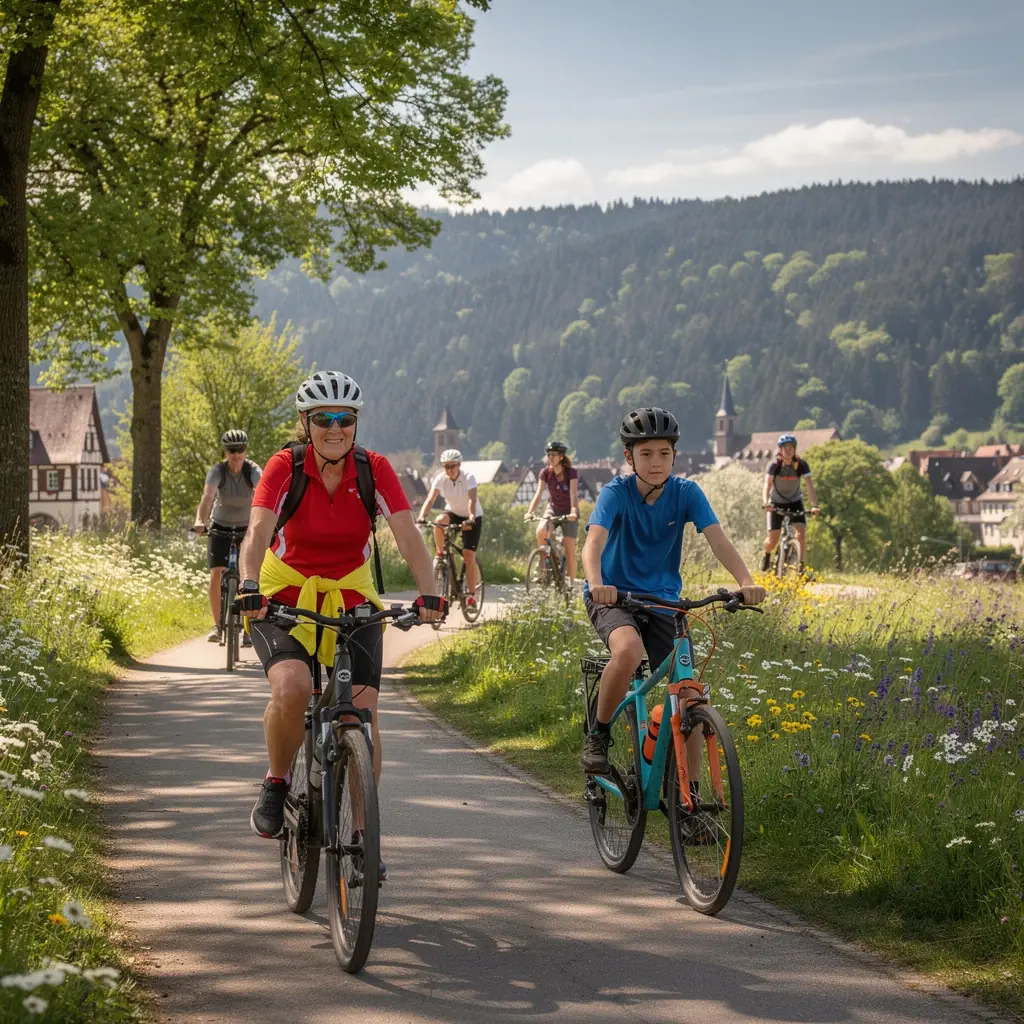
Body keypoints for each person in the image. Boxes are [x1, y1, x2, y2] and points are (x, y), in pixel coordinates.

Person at [236, 371, 444, 879]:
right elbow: (258, 530)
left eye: (345, 419)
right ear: (306, 423)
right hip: (282, 592)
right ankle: (278, 780)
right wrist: (247, 585)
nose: (335, 427)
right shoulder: (286, 467)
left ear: (355, 424)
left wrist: (431, 593)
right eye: (324, 419)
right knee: (293, 686)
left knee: (362, 717)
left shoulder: (374, 469)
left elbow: (406, 533)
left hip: (352, 593)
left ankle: (360, 836)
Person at [580, 407, 766, 777]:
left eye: (664, 453)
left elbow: (719, 541)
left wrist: (746, 582)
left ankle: (691, 801)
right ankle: (598, 735)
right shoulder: (615, 494)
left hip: (663, 600)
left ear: (674, 456)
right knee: (629, 651)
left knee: (690, 696)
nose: (656, 462)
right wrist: (597, 584)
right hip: (614, 597)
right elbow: (593, 544)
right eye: (646, 453)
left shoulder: (686, 493)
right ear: (629, 457)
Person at [192, 429, 261, 643]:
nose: (236, 454)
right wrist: (200, 521)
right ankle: (217, 625)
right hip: (220, 526)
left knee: (249, 577)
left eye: (240, 449)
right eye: (232, 450)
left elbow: (262, 494)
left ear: (246, 450)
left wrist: (264, 523)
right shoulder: (218, 471)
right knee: (216, 573)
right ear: (226, 451)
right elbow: (207, 497)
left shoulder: (253, 471)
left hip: (246, 527)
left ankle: (247, 629)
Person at [417, 449, 483, 610]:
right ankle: (441, 555)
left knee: (468, 557)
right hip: (452, 512)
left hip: (471, 516)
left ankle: (472, 597)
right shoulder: (440, 479)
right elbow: (431, 499)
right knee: (439, 521)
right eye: (446, 466)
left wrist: (471, 518)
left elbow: (472, 500)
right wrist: (421, 517)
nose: (449, 469)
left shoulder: (468, 478)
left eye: (452, 466)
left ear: (459, 465)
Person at [760, 434, 820, 573]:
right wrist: (766, 502)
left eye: (791, 447)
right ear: (780, 450)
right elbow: (767, 485)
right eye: (785, 447)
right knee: (772, 540)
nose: (788, 450)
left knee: (801, 534)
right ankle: (767, 555)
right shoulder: (775, 465)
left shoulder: (801, 465)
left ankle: (800, 567)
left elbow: (809, 486)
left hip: (795, 502)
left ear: (795, 449)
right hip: (775, 503)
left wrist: (814, 505)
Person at [524, 439, 579, 583]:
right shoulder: (545, 473)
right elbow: (538, 493)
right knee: (540, 531)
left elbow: (573, 495)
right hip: (553, 509)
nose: (551, 457)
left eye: (554, 454)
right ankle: (543, 570)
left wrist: (573, 512)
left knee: (569, 551)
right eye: (549, 454)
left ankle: (571, 585)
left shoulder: (571, 473)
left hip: (569, 511)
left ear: (561, 457)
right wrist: (530, 511)